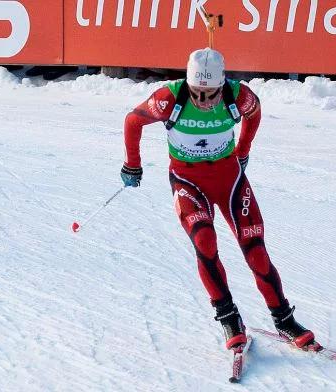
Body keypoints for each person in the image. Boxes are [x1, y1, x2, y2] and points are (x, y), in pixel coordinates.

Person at [121, 48, 315, 350]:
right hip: (188, 180)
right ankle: (228, 316)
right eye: (197, 93)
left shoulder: (238, 96)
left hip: (230, 179)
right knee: (205, 241)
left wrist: (243, 150)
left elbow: (255, 113)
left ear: (222, 85)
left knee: (255, 250)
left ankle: (284, 320)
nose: (204, 101)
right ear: (188, 84)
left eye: (211, 93)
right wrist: (132, 164)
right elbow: (133, 121)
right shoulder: (168, 98)